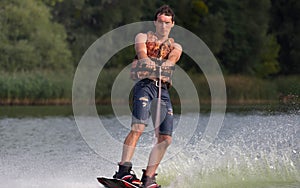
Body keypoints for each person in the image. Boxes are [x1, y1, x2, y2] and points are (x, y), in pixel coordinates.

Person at [113, 5, 182, 188]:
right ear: (155, 22)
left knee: (166, 138)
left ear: (172, 24)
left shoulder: (176, 46)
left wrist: (165, 65)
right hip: (145, 86)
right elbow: (142, 55)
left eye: (167, 23)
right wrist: (149, 64)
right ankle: (123, 171)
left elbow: (173, 59)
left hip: (163, 91)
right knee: (138, 126)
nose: (163, 25)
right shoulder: (142, 37)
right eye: (160, 22)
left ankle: (149, 178)